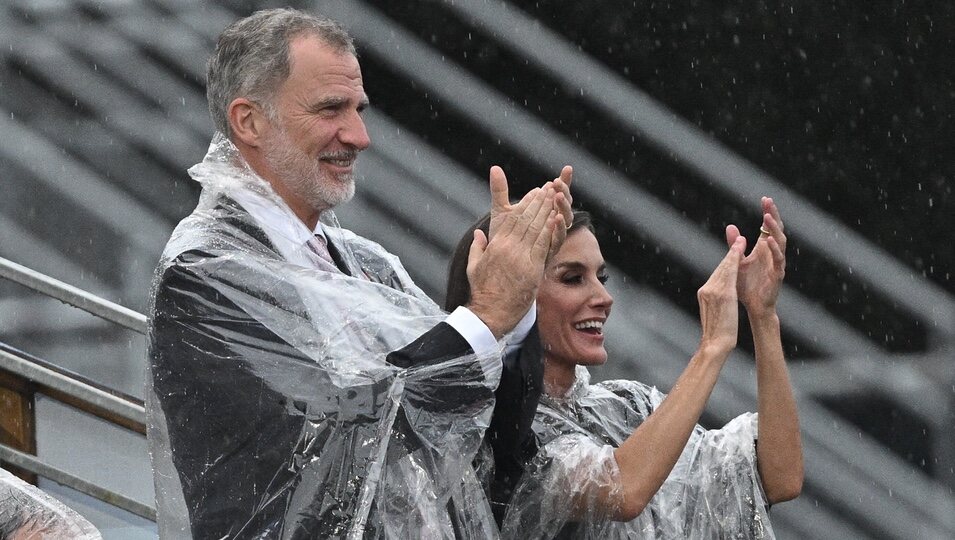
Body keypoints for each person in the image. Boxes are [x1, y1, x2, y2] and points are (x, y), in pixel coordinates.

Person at [145, 8, 572, 539]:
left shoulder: (365, 264)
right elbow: (346, 438)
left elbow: (475, 434)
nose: (359, 135)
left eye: (358, 109)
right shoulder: (205, 274)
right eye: (331, 109)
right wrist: (485, 315)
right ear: (249, 121)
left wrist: (514, 307)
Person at [445, 203, 803, 538]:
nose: (604, 297)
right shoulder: (492, 430)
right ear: (512, 293)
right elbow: (625, 491)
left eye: (602, 276)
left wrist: (762, 315)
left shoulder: (625, 405)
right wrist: (711, 347)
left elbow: (777, 477)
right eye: (573, 278)